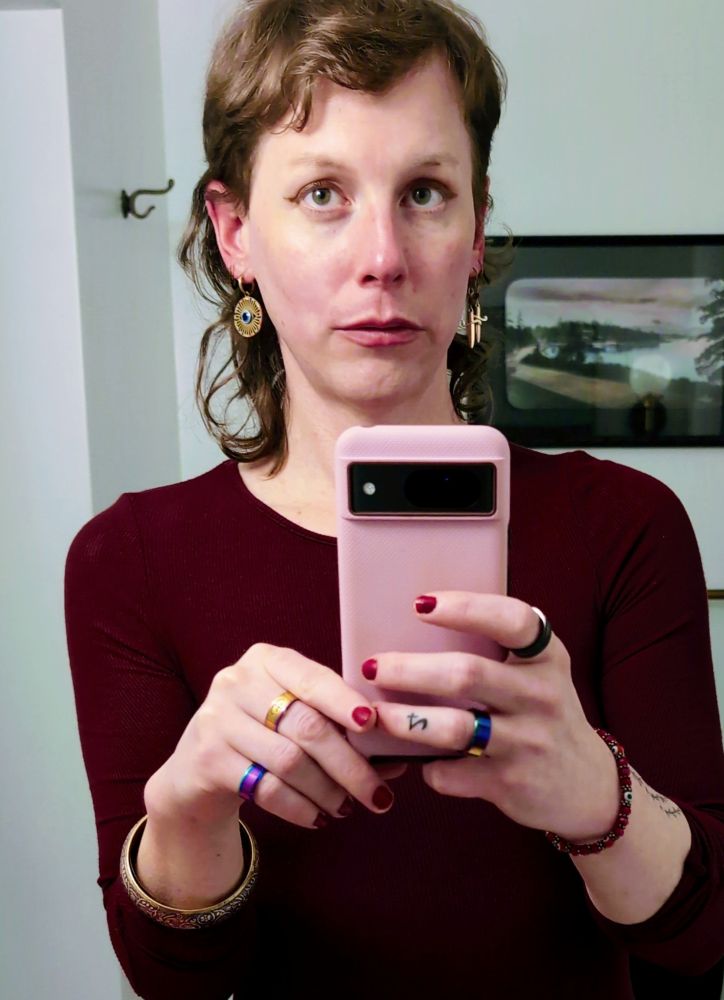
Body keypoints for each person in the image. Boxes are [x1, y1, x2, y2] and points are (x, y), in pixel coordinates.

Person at [64, 1, 724, 998]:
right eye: (323, 192)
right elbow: (178, 983)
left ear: (474, 229)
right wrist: (189, 809)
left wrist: (597, 795)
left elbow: (700, 941)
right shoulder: (129, 561)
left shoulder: (624, 525)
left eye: (423, 191)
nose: (383, 255)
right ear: (235, 230)